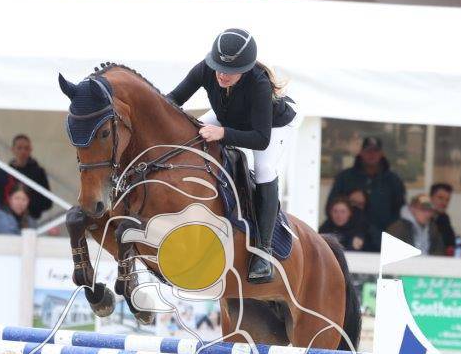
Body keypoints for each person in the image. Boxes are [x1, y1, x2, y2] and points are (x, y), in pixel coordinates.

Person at [168, 28, 296, 283]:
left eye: (230, 71)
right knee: (189, 138)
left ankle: (263, 251)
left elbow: (260, 139)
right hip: (229, 117)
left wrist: (222, 134)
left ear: (245, 69)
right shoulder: (205, 68)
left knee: (264, 171)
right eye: (219, 68)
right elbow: (172, 100)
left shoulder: (259, 84)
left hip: (270, 127)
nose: (222, 75)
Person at [324, 136, 407, 250]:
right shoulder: (345, 177)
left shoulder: (393, 180)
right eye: (368, 151)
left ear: (381, 154)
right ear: (361, 153)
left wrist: (388, 234)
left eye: (375, 151)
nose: (371, 154)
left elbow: (400, 212)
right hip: (349, 242)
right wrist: (349, 201)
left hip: (382, 242)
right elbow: (330, 207)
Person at [9, 134, 52, 221]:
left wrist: (30, 207)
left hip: (31, 217)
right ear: (13, 149)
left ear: (30, 150)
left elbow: (47, 201)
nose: (23, 151)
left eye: (26, 148)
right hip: (10, 216)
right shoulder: (7, 170)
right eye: (19, 148)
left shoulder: (38, 172)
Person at [429, 182, 457, 253]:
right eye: (440, 198)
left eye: (447, 200)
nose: (444, 203)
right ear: (431, 198)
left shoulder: (444, 218)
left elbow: (451, 243)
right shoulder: (422, 219)